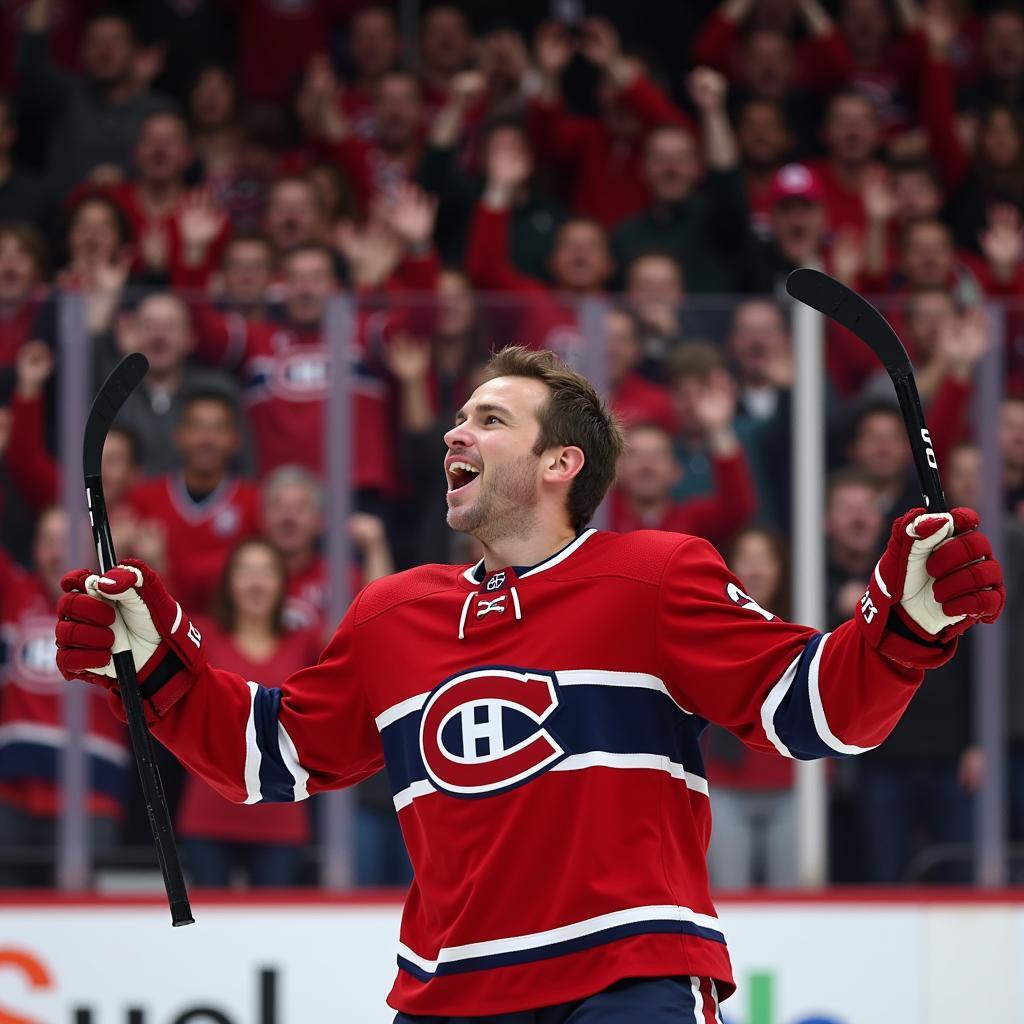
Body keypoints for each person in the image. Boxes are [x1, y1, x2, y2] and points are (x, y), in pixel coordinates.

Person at [55, 346, 1004, 1020]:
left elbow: (816, 712)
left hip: (632, 977)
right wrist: (155, 663)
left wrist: (904, 625)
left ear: (562, 463)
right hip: (451, 990)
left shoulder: (659, 574)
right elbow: (268, 758)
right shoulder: (392, 614)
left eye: (488, 418)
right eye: (458, 416)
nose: (455, 432)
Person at [177, 539, 323, 887]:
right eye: (245, 572)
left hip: (282, 814)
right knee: (207, 933)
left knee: (273, 934)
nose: (256, 582)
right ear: (228, 582)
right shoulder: (202, 636)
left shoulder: (306, 641)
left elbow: (364, 643)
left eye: (267, 572)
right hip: (208, 811)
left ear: (283, 584)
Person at [2, 507, 127, 885]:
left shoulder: (117, 607)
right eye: (48, 542)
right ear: (34, 549)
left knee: (80, 924)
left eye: (69, 543)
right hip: (13, 793)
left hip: (91, 794)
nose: (58, 553)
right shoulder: (14, 595)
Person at [705, 527, 796, 889]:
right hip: (726, 785)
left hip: (793, 786)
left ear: (781, 568)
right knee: (731, 901)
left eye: (765, 560)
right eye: (747, 560)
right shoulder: (708, 627)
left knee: (794, 904)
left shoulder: (803, 625)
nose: (756, 570)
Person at [123, 388, 262, 617]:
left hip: (230, 635)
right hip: (156, 630)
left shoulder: (254, 502)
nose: (207, 439)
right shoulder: (142, 499)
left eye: (218, 428)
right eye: (196, 427)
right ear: (178, 436)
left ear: (235, 440)